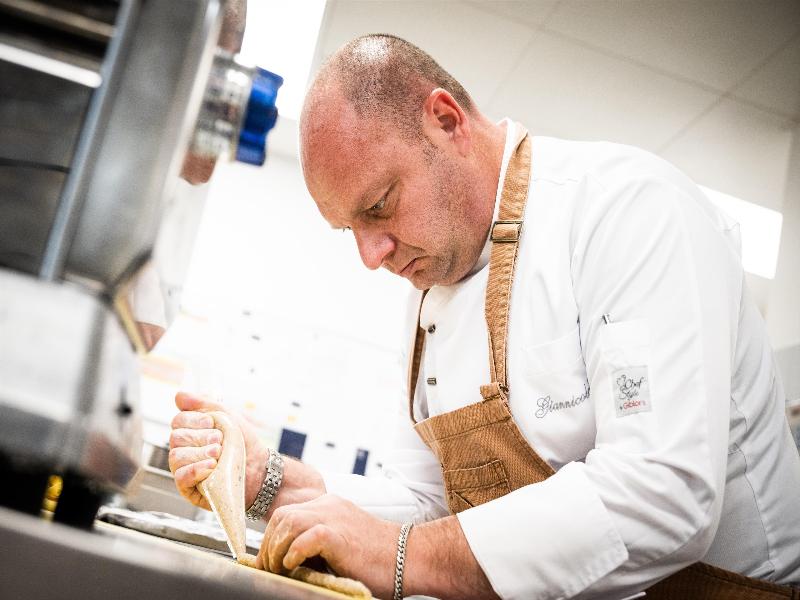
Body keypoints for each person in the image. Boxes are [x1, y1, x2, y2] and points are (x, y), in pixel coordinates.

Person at [168, 34, 800, 599]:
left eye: (379, 206)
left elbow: (662, 495)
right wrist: (269, 481)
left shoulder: (628, 212)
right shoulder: (430, 286)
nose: (371, 256)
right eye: (349, 229)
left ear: (446, 121)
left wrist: (398, 556)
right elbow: (428, 504)